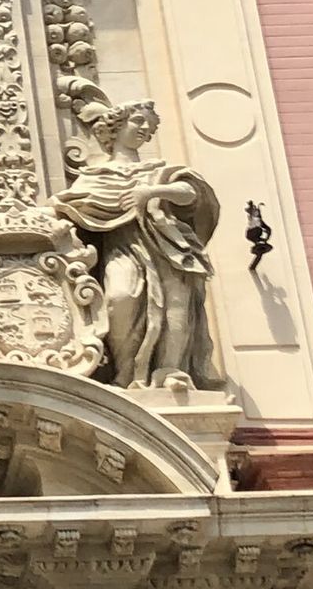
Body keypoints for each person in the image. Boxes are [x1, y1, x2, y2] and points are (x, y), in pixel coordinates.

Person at [50, 101, 222, 390]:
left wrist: (152, 192)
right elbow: (66, 207)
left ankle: (170, 370)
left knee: (175, 306)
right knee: (120, 298)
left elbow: (190, 192)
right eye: (138, 121)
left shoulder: (157, 171)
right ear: (116, 127)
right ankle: (126, 373)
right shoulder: (95, 177)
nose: (144, 128)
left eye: (149, 125)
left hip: (169, 248)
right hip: (123, 247)